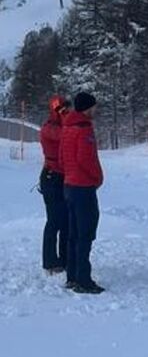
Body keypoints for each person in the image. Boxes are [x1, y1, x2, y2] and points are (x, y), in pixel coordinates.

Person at [61, 91, 104, 294]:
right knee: (85, 233)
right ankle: (83, 279)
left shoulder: (67, 127)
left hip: (69, 185)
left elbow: (62, 158)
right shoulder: (84, 129)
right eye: (94, 107)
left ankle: (72, 276)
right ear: (87, 108)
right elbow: (86, 159)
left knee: (73, 233)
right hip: (83, 187)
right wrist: (97, 178)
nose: (96, 110)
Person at [39, 95, 70, 274]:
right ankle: (50, 262)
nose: (66, 111)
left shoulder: (62, 125)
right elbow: (65, 135)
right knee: (54, 220)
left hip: (64, 176)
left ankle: (65, 258)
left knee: (66, 220)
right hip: (52, 177)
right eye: (63, 108)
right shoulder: (49, 128)